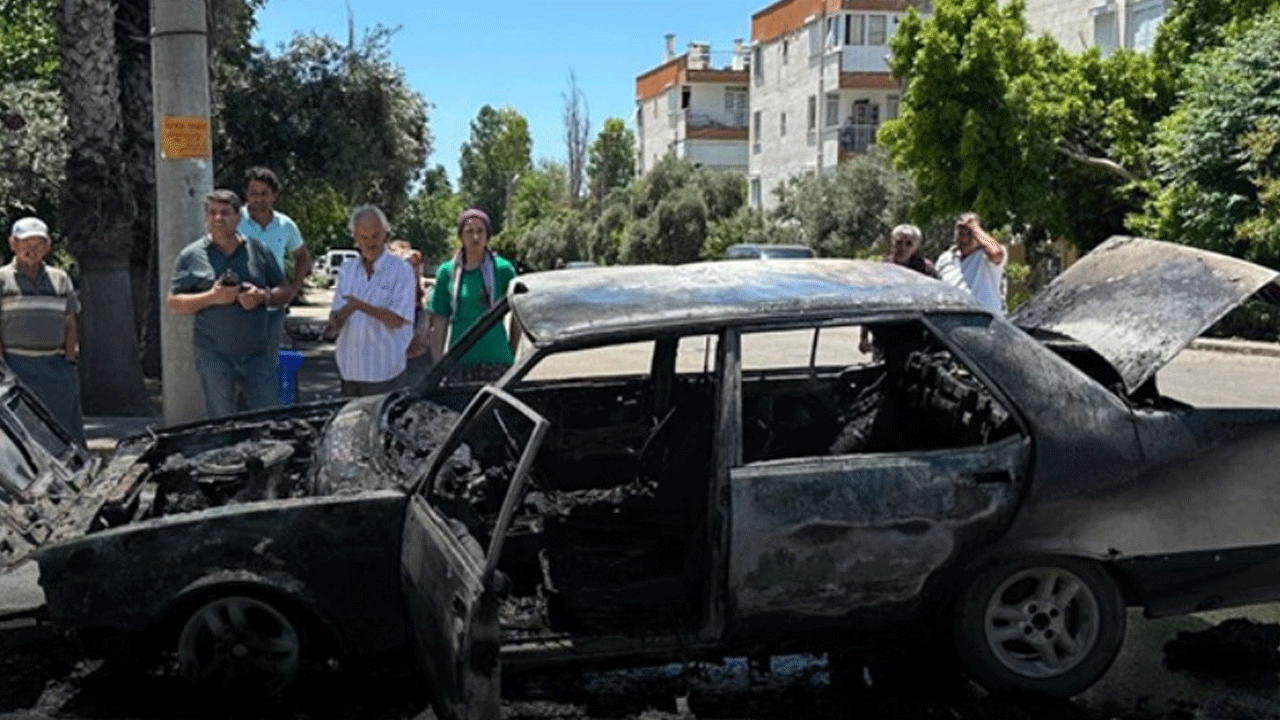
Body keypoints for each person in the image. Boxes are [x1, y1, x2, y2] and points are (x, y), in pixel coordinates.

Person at [168, 189, 289, 417]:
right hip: (214, 354)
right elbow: (174, 303)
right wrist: (212, 297)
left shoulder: (258, 250)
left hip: (257, 353)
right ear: (205, 217)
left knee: (267, 418)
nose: (218, 218)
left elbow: (284, 291)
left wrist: (262, 296)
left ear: (238, 217)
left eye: (225, 213)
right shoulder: (191, 255)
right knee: (222, 420)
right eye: (212, 213)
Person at [0, 217, 85, 445]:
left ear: (47, 247)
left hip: (54, 367)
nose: (32, 249)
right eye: (26, 243)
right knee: (22, 435)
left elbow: (69, 323)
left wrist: (69, 360)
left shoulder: (60, 279)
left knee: (64, 430)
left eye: (39, 244)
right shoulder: (2, 279)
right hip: (16, 366)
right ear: (13, 244)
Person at [323, 206, 417, 397]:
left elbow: (398, 319)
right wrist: (336, 320)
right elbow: (337, 315)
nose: (370, 243)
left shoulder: (401, 270)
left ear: (385, 234)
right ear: (355, 238)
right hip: (350, 372)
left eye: (375, 236)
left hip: (385, 373)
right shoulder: (348, 270)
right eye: (364, 237)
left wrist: (360, 306)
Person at [427, 208, 519, 383]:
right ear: (461, 236)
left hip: (497, 360)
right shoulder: (447, 272)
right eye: (469, 231)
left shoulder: (503, 270)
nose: (475, 237)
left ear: (487, 236)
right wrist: (438, 364)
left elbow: (518, 313)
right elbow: (440, 320)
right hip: (459, 361)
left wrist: (511, 350)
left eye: (480, 231)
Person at [237, 167, 311, 356]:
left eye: (265, 194)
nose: (259, 199)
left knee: (268, 363)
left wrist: (293, 290)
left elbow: (302, 256)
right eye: (254, 193)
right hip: (240, 306)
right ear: (246, 194)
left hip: (273, 305)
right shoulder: (235, 221)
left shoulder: (285, 225)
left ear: (274, 195)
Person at [861, 223, 938, 354]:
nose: (903, 247)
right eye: (899, 242)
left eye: (908, 243)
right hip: (884, 335)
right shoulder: (881, 268)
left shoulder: (925, 270)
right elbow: (870, 302)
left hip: (915, 336)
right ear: (892, 243)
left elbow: (937, 301)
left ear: (916, 247)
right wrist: (863, 336)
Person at [936, 212, 1006, 315]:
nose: (964, 239)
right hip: (951, 319)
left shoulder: (985, 256)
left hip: (984, 320)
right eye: (960, 234)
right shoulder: (945, 258)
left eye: (969, 234)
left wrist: (974, 227)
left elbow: (996, 254)